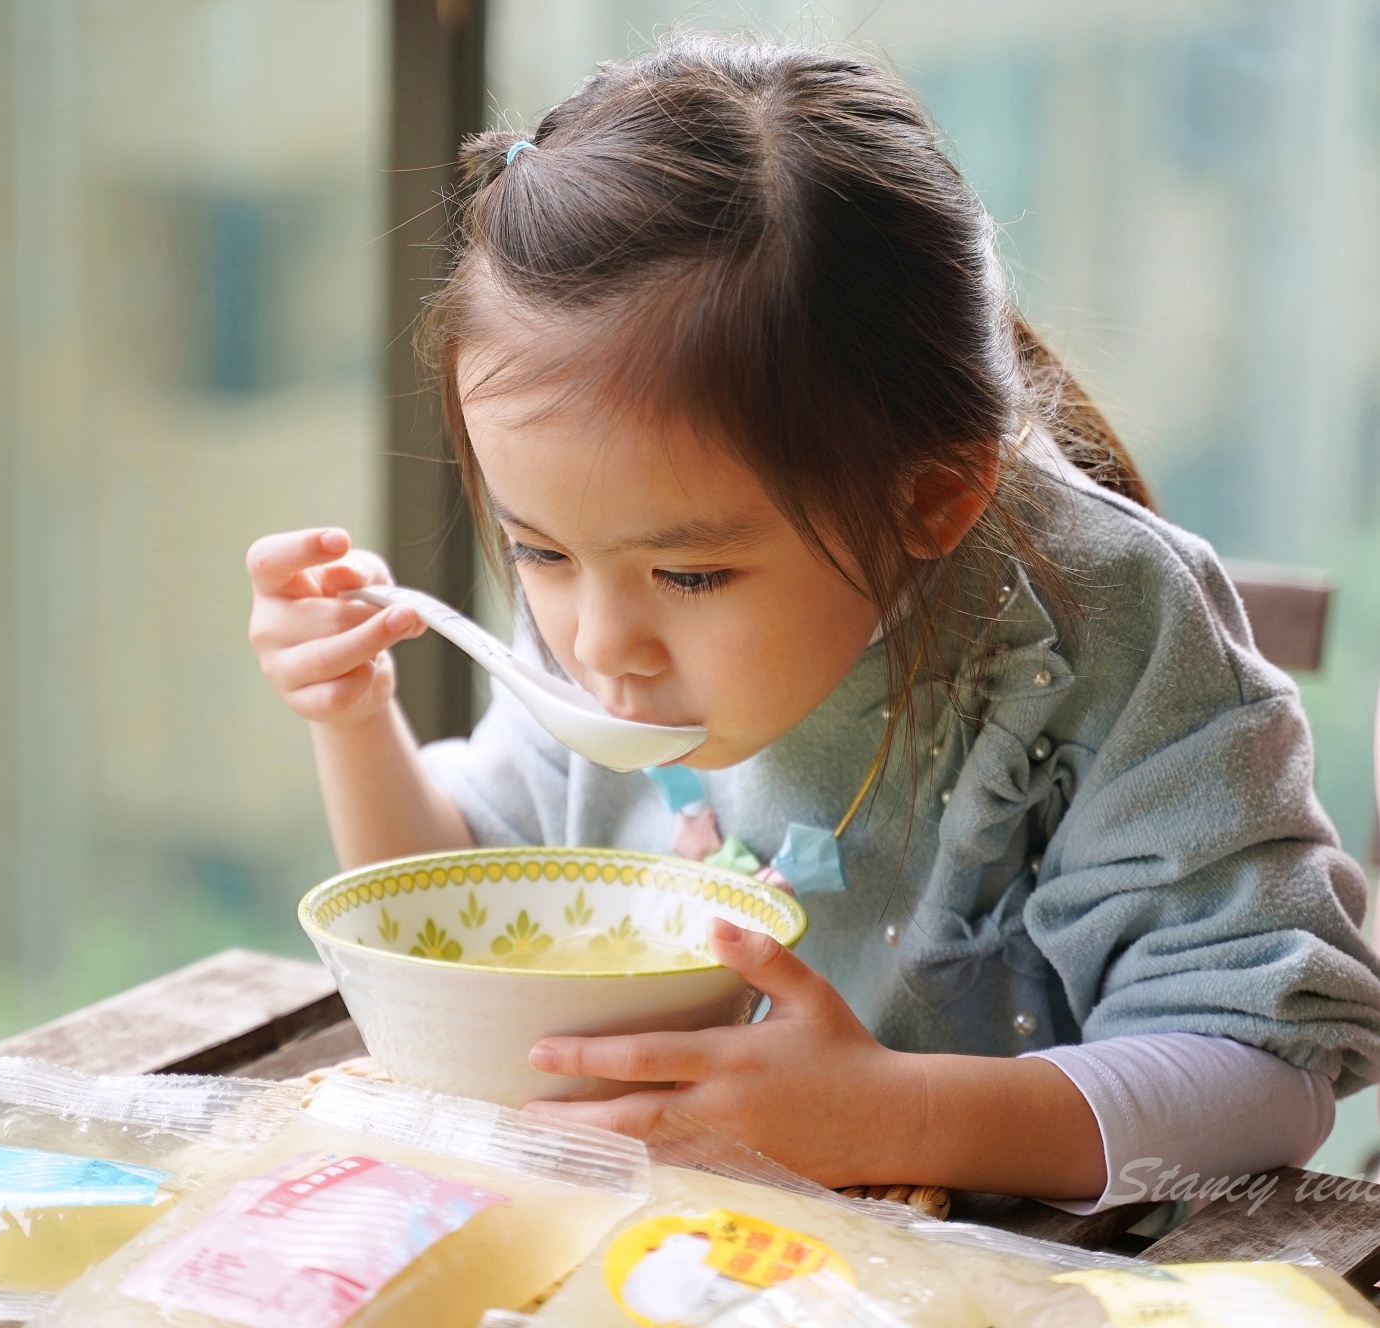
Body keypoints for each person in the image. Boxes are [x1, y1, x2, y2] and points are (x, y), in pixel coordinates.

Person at [246, 37, 1380, 1208]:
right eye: (537, 550)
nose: (595, 644)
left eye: (689, 576)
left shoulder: (1103, 627)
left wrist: (895, 1116)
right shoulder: (614, 596)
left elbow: (1268, 1073)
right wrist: (353, 715)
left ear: (931, 499)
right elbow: (465, 918)